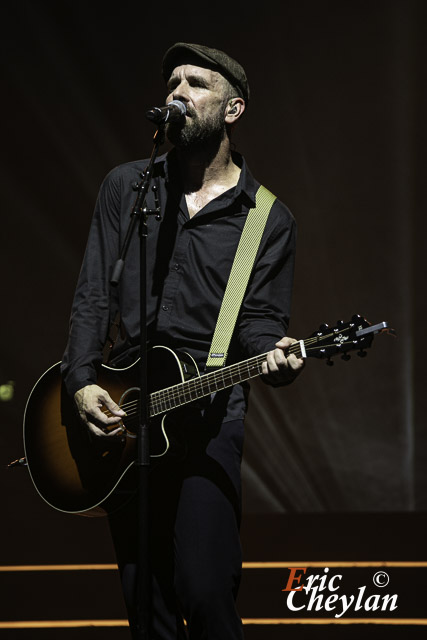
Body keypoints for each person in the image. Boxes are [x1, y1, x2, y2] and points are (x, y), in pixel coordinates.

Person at [61, 42, 304, 640]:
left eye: (196, 82)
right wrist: (81, 380)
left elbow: (259, 328)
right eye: (171, 81)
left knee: (205, 588)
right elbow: (94, 292)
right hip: (129, 412)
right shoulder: (128, 187)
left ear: (233, 108)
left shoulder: (267, 219)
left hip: (207, 416)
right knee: (147, 606)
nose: (177, 92)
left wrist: (278, 358)